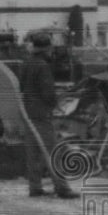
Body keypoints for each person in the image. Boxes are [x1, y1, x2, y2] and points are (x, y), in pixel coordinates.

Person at [18, 32, 76, 199]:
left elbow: (21, 87)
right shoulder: (42, 66)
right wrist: (55, 103)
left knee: (33, 152)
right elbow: (48, 93)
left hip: (28, 113)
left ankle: (34, 187)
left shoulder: (25, 64)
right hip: (41, 114)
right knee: (52, 150)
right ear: (47, 49)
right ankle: (62, 188)